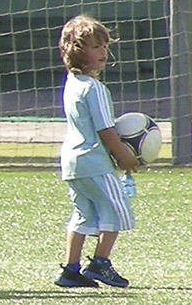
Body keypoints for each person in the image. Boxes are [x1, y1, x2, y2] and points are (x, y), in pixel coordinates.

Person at [53, 15, 140, 289]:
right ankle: (100, 264)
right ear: (77, 52)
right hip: (95, 162)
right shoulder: (94, 89)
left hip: (72, 163)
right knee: (117, 210)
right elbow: (105, 129)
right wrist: (124, 156)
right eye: (95, 47)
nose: (103, 52)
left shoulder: (71, 84)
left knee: (83, 214)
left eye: (104, 46)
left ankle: (70, 270)